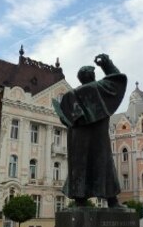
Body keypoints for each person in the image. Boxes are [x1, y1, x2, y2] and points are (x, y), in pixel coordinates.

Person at [53, 54, 128, 207]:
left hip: (78, 139)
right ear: (92, 76)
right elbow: (116, 79)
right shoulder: (100, 88)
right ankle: (112, 201)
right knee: (104, 164)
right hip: (99, 136)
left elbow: (64, 118)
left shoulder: (70, 95)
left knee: (79, 165)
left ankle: (80, 200)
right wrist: (107, 64)